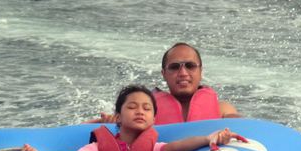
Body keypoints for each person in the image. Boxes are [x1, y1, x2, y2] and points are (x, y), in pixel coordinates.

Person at [21, 85, 237, 151]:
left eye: (146, 108)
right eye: (132, 107)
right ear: (119, 116)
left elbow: (178, 146)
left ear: (154, 119)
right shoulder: (98, 148)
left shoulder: (154, 149)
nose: (139, 112)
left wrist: (208, 138)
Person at [97, 43, 241, 125]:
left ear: (200, 72)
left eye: (190, 66)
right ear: (164, 75)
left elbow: (244, 128)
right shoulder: (146, 112)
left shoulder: (223, 110)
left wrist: (239, 122)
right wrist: (112, 124)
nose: (183, 73)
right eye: (174, 67)